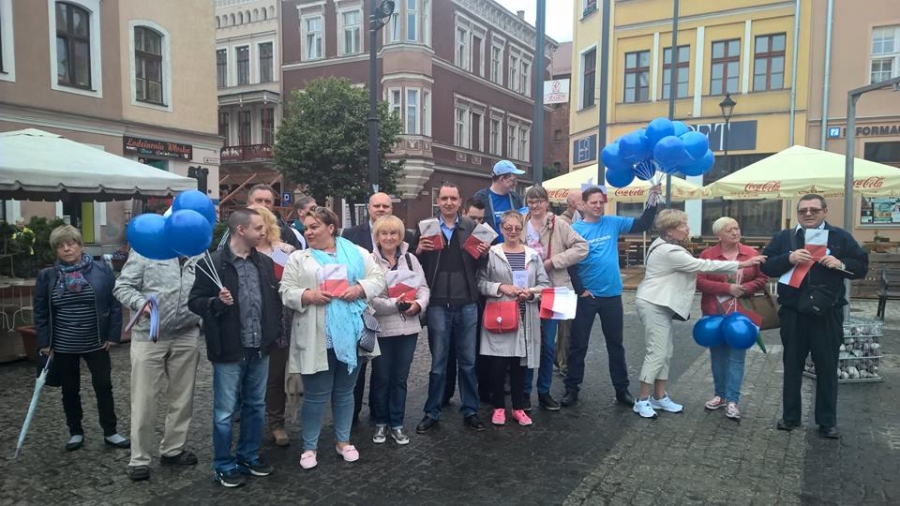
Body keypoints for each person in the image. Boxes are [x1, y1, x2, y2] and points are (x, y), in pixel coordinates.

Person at [280, 206, 385, 469]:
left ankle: (343, 441)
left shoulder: (357, 253)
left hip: (351, 333)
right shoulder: (299, 258)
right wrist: (308, 295)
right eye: (306, 228)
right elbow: (286, 290)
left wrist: (359, 288)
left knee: (345, 392)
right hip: (318, 334)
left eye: (314, 227)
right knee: (315, 394)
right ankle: (309, 446)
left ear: (330, 228)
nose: (308, 232)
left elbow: (378, 279)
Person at [633, 210, 765, 419]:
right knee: (657, 352)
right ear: (670, 230)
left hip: (661, 303)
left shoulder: (666, 245)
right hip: (653, 303)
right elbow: (702, 266)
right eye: (683, 225)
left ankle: (659, 396)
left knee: (665, 352)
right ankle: (642, 400)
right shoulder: (668, 250)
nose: (688, 228)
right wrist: (742, 264)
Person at [761, 194, 868, 439]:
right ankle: (790, 417)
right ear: (798, 213)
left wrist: (841, 263)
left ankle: (827, 421)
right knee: (792, 365)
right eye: (803, 210)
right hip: (793, 313)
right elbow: (766, 266)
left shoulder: (840, 237)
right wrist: (788, 258)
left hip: (827, 313)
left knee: (827, 367)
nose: (808, 214)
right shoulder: (784, 237)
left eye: (814, 210)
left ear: (825, 211)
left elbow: (861, 266)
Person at [188, 208, 282, 488]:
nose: (263, 232)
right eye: (258, 228)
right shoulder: (211, 263)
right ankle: (223, 464)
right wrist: (215, 303)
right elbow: (195, 302)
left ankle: (248, 456)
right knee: (225, 412)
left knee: (256, 406)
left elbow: (273, 301)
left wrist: (272, 333)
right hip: (229, 349)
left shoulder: (265, 263)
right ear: (241, 230)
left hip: (259, 347)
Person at [563, 185, 661, 408]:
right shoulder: (575, 229)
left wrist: (652, 202)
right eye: (593, 202)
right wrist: (579, 290)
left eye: (601, 202)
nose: (598, 206)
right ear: (584, 205)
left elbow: (643, 224)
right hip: (586, 296)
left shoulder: (613, 223)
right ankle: (572, 389)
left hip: (612, 295)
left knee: (616, 344)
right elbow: (570, 263)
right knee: (578, 345)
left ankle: (621, 389)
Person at [33, 225, 129, 452]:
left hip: (96, 341)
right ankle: (75, 432)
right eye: (60, 246)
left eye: (71, 243)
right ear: (56, 250)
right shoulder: (47, 276)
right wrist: (45, 343)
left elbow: (114, 303)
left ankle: (110, 431)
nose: (67, 249)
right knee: (69, 389)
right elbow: (40, 311)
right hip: (63, 344)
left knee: (103, 386)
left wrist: (113, 335)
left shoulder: (101, 270)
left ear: (80, 245)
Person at [114, 250, 202, 481]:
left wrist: (201, 318)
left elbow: (205, 289)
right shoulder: (147, 249)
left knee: (183, 397)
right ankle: (139, 458)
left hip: (186, 333)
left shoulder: (198, 252)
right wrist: (140, 304)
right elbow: (122, 286)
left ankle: (173, 449)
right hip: (149, 335)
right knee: (144, 399)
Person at [415, 182, 489, 433]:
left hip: (466, 303)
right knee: (438, 364)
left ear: (459, 202)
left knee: (468, 362)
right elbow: (414, 264)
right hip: (437, 304)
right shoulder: (426, 228)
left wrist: (484, 253)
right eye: (444, 198)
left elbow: (481, 265)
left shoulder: (471, 227)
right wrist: (418, 250)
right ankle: (432, 412)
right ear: (438, 201)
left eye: (453, 198)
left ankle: (470, 410)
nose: (448, 203)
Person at [342, 192, 414, 424]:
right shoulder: (351, 234)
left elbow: (414, 277)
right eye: (377, 206)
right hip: (359, 311)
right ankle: (352, 415)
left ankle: (378, 412)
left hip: (390, 317)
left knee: (383, 370)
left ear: (391, 208)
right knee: (358, 367)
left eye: (386, 206)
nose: (381, 209)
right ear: (369, 208)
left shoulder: (407, 237)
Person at [477, 211, 550, 426]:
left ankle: (518, 408)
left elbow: (545, 285)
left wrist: (532, 293)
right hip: (500, 316)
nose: (513, 232)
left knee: (520, 366)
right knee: (498, 365)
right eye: (508, 228)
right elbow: (479, 283)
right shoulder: (492, 253)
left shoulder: (532, 255)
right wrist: (500, 287)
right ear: (501, 229)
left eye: (517, 228)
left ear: (522, 229)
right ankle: (499, 407)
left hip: (525, 315)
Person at [696, 217, 770, 420]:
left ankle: (732, 400)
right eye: (730, 230)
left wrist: (745, 288)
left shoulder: (751, 253)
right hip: (714, 312)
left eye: (737, 228)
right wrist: (727, 288)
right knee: (717, 356)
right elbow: (699, 281)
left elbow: (762, 278)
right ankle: (719, 395)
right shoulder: (708, 255)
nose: (736, 232)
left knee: (737, 356)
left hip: (741, 314)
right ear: (719, 235)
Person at [522, 186, 588, 411]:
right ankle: (524, 392)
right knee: (528, 343)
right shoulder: (520, 223)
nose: (535, 205)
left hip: (556, 290)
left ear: (547, 202)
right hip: (528, 291)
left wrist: (554, 262)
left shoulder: (559, 224)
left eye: (539, 201)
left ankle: (544, 391)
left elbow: (582, 247)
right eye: (531, 201)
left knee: (549, 344)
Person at [369, 216, 430, 445]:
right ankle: (381, 422)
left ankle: (397, 423)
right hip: (382, 329)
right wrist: (395, 304)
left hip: (408, 329)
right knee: (382, 377)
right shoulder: (369, 261)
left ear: (400, 236)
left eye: (393, 233)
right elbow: (370, 298)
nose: (389, 237)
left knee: (400, 378)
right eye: (384, 233)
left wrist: (418, 305)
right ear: (377, 237)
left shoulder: (411, 259)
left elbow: (423, 288)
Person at [248, 205, 297, 447]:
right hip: (249, 325)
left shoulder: (284, 252)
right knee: (249, 377)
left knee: (275, 377)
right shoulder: (240, 252)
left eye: (261, 225)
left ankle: (276, 423)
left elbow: (294, 284)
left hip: (278, 323)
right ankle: (251, 424)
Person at [444, 197, 488, 405]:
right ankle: (445, 394)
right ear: (464, 214)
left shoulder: (483, 236)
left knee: (471, 353)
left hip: (473, 299)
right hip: (446, 299)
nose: (477, 223)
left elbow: (484, 267)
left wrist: (484, 255)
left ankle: (474, 399)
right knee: (446, 353)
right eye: (473, 218)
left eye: (480, 219)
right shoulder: (450, 230)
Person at [218, 185, 302, 250]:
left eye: (268, 201)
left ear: (272, 205)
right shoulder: (236, 227)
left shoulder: (284, 231)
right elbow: (222, 252)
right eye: (259, 200)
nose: (263, 205)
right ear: (248, 203)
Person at [555, 190, 582, 379]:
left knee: (568, 325)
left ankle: (560, 360)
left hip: (573, 281)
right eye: (582, 200)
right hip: (564, 281)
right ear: (572, 203)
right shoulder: (563, 223)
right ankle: (562, 364)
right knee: (565, 326)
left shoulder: (578, 220)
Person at [473, 160, 525, 239]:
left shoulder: (515, 198)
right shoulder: (481, 198)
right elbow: (474, 224)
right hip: (489, 246)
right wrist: (492, 243)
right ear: (501, 179)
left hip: (513, 245)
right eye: (513, 180)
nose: (516, 184)